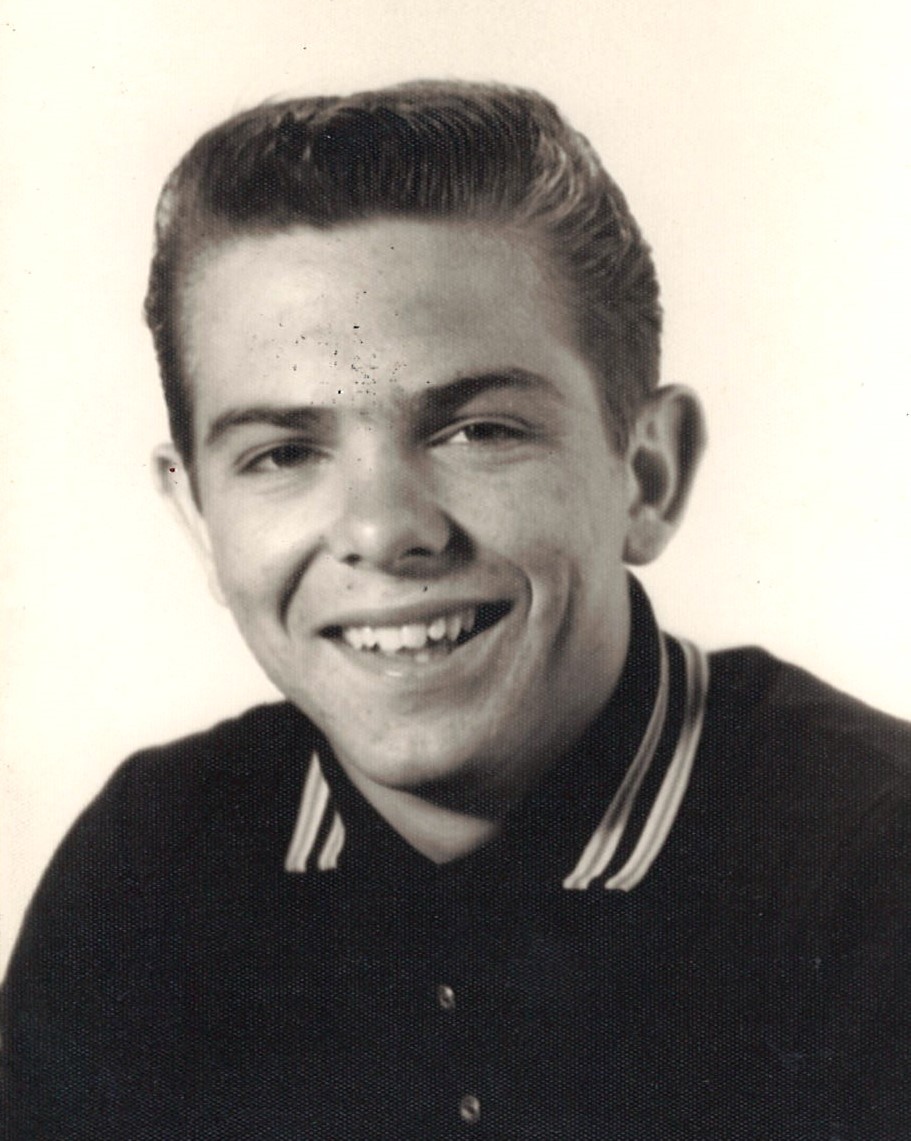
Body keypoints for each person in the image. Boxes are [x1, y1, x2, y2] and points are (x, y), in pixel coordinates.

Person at [2, 80, 909, 1139]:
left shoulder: (872, 877)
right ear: (200, 516)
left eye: (478, 431)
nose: (383, 530)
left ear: (646, 475)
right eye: (282, 454)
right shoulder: (146, 868)